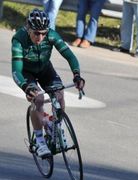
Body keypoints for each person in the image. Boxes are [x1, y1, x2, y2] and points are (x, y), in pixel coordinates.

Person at [11, 9, 85, 157]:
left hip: (45, 69)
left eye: (43, 33)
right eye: (36, 33)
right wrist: (26, 87)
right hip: (26, 73)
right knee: (37, 99)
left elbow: (70, 56)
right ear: (28, 28)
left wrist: (77, 75)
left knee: (59, 94)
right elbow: (16, 71)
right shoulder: (18, 39)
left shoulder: (51, 35)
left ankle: (55, 127)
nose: (40, 37)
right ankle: (39, 141)